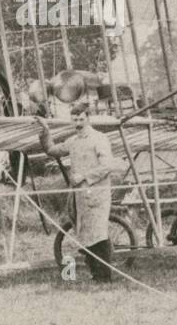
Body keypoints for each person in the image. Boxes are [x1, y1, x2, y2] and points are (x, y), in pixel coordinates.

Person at [35, 103, 122, 282]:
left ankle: (105, 276)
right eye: (75, 119)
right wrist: (45, 130)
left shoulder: (99, 138)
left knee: (98, 235)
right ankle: (95, 274)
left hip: (97, 194)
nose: (78, 122)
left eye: (82, 118)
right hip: (79, 197)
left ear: (88, 118)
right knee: (85, 235)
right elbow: (52, 150)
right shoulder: (73, 141)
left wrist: (84, 175)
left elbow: (107, 165)